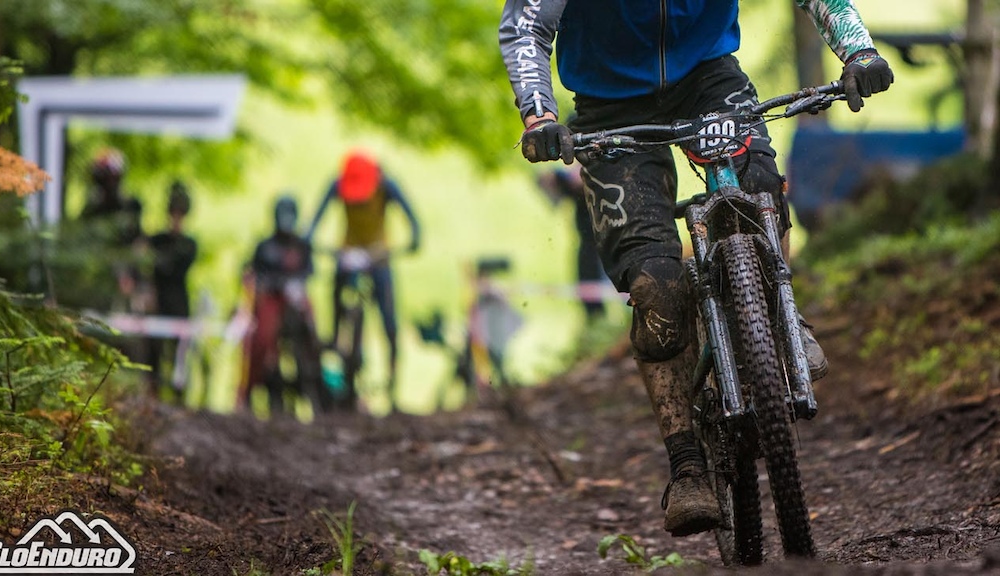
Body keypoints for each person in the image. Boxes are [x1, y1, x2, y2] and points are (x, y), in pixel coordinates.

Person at [499, 0, 893, 537]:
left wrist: (858, 51)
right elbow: (525, 24)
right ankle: (686, 464)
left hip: (708, 79)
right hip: (610, 103)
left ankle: (780, 316)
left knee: (755, 190)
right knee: (657, 288)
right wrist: (539, 113)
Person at [305, 150, 421, 410]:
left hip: (378, 256)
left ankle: (392, 385)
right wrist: (310, 239)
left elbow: (413, 221)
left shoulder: (386, 186)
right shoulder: (337, 185)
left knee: (388, 320)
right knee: (336, 293)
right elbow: (313, 221)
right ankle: (335, 337)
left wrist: (412, 240)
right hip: (348, 254)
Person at [247, 195, 318, 415]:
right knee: (262, 337)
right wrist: (266, 284)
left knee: (311, 329)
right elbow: (253, 274)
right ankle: (251, 386)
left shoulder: (302, 246)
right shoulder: (265, 246)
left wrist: (296, 286)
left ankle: (315, 380)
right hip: (271, 299)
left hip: (295, 298)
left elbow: (310, 272)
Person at [146, 180, 198, 402]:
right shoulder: (156, 240)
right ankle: (153, 393)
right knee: (153, 351)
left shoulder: (189, 244)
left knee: (179, 352)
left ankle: (178, 395)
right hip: (158, 300)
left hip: (178, 301)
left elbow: (174, 267)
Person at [80, 148, 148, 312]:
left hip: (129, 280)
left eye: (111, 178)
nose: (109, 183)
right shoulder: (92, 211)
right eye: (104, 178)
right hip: (100, 280)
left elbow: (139, 244)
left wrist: (131, 276)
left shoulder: (131, 207)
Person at [536, 162, 606, 319]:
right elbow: (545, 182)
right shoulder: (570, 180)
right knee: (589, 292)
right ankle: (597, 322)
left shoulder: (603, 174)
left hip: (610, 242)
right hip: (589, 245)